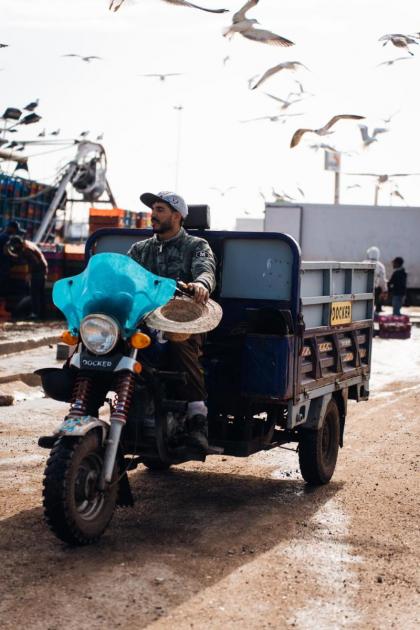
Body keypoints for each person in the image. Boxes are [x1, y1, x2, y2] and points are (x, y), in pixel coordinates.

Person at [128, 191, 216, 452]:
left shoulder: (196, 246)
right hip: (144, 319)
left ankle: (197, 419)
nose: (153, 215)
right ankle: (82, 410)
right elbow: (125, 276)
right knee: (100, 335)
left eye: (160, 209)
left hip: (185, 319)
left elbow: (205, 270)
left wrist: (200, 285)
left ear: (177, 216)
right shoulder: (140, 249)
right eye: (152, 209)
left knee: (179, 341)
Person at [7, 235, 48, 319]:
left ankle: (35, 314)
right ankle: (42, 314)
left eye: (14, 245)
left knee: (35, 293)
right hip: (42, 270)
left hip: (38, 271)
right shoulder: (27, 245)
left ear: (17, 244)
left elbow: (34, 262)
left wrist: (30, 274)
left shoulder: (27, 250)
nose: (13, 247)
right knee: (40, 293)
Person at [0, 221, 26, 296]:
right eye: (15, 230)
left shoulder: (2, 236)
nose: (15, 232)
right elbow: (7, 252)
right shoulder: (7, 238)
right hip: (3, 268)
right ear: (11, 228)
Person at [364, 246, 387, 314]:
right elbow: (383, 280)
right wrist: (385, 290)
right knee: (373, 302)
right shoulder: (380, 266)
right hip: (374, 288)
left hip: (363, 288)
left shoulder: (363, 263)